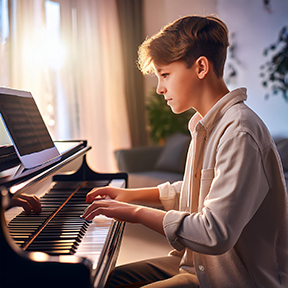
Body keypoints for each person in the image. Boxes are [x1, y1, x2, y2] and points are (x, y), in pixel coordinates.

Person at [81, 15, 288, 288]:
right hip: (197, 263)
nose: (159, 88)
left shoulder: (239, 131)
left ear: (201, 66)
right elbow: (195, 191)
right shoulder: (206, 125)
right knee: (97, 281)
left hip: (232, 279)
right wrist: (130, 196)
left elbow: (214, 233)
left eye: (165, 74)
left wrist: (133, 212)